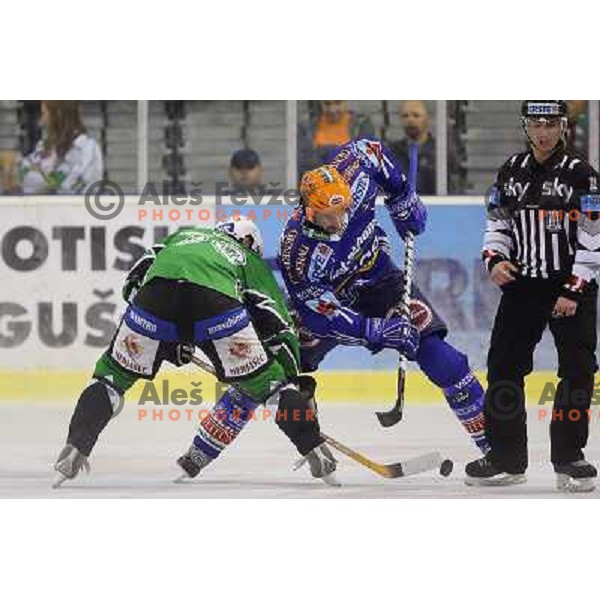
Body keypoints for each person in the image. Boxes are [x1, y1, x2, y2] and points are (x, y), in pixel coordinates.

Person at [53, 218, 338, 487]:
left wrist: (171, 338)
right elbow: (279, 325)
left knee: (110, 379)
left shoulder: (182, 236)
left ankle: (75, 446)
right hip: (216, 304)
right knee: (274, 386)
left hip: (153, 299)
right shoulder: (247, 258)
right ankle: (315, 450)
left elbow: (133, 282)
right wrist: (289, 378)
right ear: (248, 241)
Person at [277, 138, 489, 454]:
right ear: (307, 211)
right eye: (326, 217)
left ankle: (496, 447)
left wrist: (402, 198)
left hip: (381, 280)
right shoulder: (297, 251)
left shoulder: (355, 168)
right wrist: (372, 330)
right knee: (286, 363)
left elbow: (372, 148)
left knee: (438, 355)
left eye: (343, 210)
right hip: (333, 301)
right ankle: (305, 434)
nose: (337, 223)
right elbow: (320, 316)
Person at [465, 101, 600, 492]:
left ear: (563, 126)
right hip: (522, 286)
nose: (543, 132)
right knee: (504, 367)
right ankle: (506, 458)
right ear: (526, 126)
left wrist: (574, 289)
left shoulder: (583, 177)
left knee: (577, 372)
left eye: (550, 124)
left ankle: (569, 457)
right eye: (536, 124)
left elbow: (593, 239)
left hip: (570, 285)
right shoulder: (510, 171)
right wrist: (495, 259)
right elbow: (497, 224)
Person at [0, 101, 102, 194]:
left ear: (58, 115)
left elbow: (67, 186)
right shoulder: (44, 146)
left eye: (44, 114)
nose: (41, 121)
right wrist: (12, 166)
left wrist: (36, 175)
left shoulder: (87, 148)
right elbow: (23, 172)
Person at [297, 101, 375, 176]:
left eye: (338, 102)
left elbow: (367, 162)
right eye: (327, 104)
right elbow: (303, 165)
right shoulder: (307, 128)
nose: (332, 109)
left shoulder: (361, 125)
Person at [389, 101, 437, 195]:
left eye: (416, 115)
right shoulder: (392, 152)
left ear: (427, 119)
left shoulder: (440, 152)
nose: (410, 120)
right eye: (405, 116)